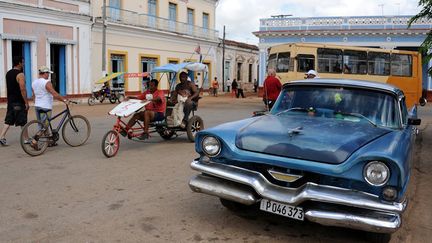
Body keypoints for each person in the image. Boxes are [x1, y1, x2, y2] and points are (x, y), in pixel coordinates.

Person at [32, 66, 68, 146]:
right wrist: (64, 100)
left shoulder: (34, 82)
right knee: (45, 125)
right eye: (48, 73)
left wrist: (36, 102)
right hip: (46, 107)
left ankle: (49, 142)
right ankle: (35, 141)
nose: (48, 75)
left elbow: (33, 95)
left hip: (37, 106)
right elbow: (54, 93)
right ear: (44, 73)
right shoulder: (46, 82)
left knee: (42, 124)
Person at [0, 56, 29, 146]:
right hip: (18, 101)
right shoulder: (20, 74)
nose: (23, 64)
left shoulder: (8, 73)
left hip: (11, 100)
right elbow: (22, 89)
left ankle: (2, 137)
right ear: (19, 63)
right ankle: (26, 139)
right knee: (23, 120)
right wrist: (26, 102)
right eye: (23, 62)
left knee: (8, 120)